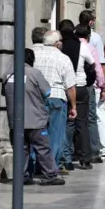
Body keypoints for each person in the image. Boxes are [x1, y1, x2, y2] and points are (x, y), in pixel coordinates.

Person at [2, 49, 65, 185]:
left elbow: (4, 93)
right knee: (43, 148)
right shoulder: (34, 73)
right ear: (31, 59)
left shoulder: (7, 74)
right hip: (35, 119)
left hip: (15, 121)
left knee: (21, 149)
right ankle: (50, 175)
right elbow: (47, 92)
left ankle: (22, 175)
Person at [31, 29, 77, 173]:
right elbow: (70, 86)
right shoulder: (63, 58)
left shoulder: (34, 55)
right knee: (55, 136)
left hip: (37, 98)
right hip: (56, 98)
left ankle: (34, 166)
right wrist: (73, 106)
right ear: (57, 44)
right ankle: (51, 168)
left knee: (35, 134)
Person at [61, 23, 96, 170]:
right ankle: (85, 158)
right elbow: (92, 63)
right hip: (80, 86)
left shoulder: (60, 47)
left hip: (64, 88)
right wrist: (88, 76)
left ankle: (66, 158)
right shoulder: (81, 46)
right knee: (82, 123)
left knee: (67, 124)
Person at [79, 10, 105, 158]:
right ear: (91, 22)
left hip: (77, 82)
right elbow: (101, 63)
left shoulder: (75, 35)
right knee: (97, 115)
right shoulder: (95, 38)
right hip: (92, 82)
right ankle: (103, 146)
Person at [75, 23, 105, 164]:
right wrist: (102, 84)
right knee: (90, 118)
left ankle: (74, 150)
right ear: (88, 35)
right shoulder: (89, 48)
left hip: (72, 84)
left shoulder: (73, 47)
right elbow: (97, 67)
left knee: (73, 120)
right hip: (87, 85)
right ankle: (93, 150)